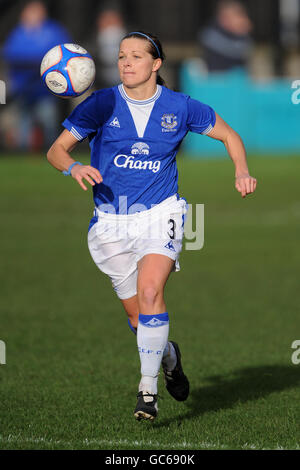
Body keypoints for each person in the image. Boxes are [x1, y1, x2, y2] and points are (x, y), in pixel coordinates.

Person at [47, 31, 257, 421]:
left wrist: (241, 171)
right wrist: (74, 166)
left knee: (150, 291)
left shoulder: (179, 106)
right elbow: (56, 150)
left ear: (156, 64)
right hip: (110, 223)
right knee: (138, 318)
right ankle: (170, 357)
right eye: (122, 56)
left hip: (161, 214)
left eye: (136, 56)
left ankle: (147, 391)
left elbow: (230, 135)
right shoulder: (100, 104)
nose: (126, 63)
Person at [2, 1, 71, 151]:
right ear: (24, 14)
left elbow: (63, 52)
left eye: (37, 11)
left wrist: (34, 60)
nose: (34, 15)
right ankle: (22, 162)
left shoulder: (53, 30)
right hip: (23, 90)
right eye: (31, 11)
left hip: (45, 90)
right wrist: (38, 60)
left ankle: (55, 155)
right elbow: (10, 54)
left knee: (49, 123)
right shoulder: (19, 32)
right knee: (23, 129)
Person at [199, 0, 253, 73]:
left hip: (236, 78)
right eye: (238, 16)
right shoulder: (211, 34)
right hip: (216, 79)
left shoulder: (238, 35)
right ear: (224, 17)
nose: (241, 20)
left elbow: (246, 49)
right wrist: (242, 33)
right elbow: (237, 50)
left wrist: (243, 34)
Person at [96, 7, 126, 88]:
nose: (110, 26)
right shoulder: (92, 44)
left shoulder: (136, 42)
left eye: (113, 21)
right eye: (106, 21)